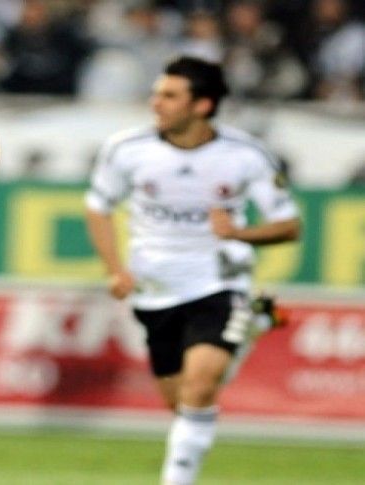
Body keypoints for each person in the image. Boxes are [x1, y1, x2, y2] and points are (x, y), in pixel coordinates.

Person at [85, 56, 301, 485]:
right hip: (155, 289)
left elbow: (289, 225)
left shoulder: (246, 155)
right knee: (182, 403)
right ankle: (255, 324)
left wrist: (239, 233)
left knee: (200, 388)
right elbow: (98, 207)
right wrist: (115, 269)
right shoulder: (126, 149)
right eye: (157, 93)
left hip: (218, 282)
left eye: (169, 95)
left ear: (202, 105)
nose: (156, 102)